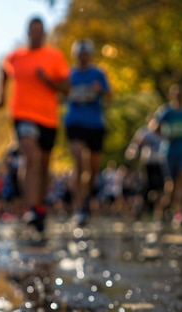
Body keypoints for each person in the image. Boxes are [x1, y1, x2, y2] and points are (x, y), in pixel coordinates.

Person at [0, 16, 69, 234]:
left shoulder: (54, 56)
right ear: (28, 33)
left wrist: (48, 81)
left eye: (40, 30)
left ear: (44, 33)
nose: (36, 34)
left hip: (48, 118)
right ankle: (31, 207)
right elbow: (3, 69)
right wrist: (0, 94)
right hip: (22, 114)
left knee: (44, 165)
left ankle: (40, 205)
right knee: (31, 157)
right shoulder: (16, 56)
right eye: (32, 30)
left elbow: (67, 88)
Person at [64, 39, 111, 225]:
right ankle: (79, 207)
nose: (83, 56)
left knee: (92, 169)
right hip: (75, 123)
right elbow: (60, 92)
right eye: (79, 53)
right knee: (79, 162)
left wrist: (100, 90)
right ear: (75, 55)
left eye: (86, 53)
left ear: (90, 55)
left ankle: (87, 199)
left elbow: (109, 95)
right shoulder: (69, 75)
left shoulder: (98, 74)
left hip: (95, 124)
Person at [154, 84, 182, 226]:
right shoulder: (166, 111)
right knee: (171, 184)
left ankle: (180, 212)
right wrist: (164, 135)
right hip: (169, 152)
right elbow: (154, 127)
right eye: (176, 93)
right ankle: (163, 210)